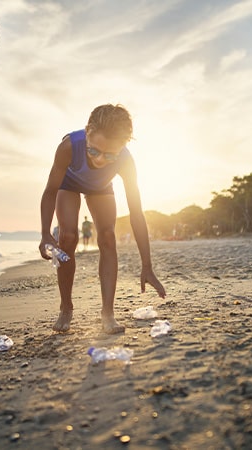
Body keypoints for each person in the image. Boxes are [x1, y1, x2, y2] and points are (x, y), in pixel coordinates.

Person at [39, 104, 166, 334]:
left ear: (123, 147)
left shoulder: (126, 161)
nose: (99, 160)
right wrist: (45, 233)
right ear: (87, 132)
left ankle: (108, 313)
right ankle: (66, 307)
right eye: (94, 151)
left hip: (100, 188)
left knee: (108, 237)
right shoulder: (69, 146)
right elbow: (50, 191)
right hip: (68, 184)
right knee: (68, 237)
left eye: (110, 155)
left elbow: (137, 212)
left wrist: (147, 265)